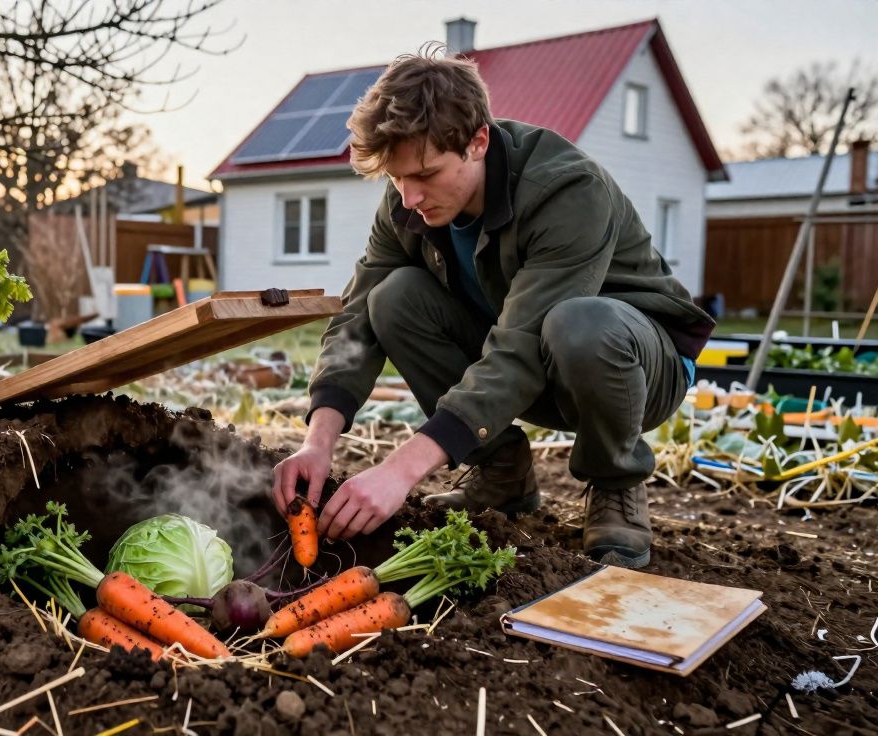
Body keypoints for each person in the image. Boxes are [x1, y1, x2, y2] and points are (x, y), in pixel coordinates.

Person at [270, 47, 714, 569]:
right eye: (397, 179)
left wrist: (401, 470)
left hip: (637, 367)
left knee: (581, 321)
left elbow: (521, 343)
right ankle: (503, 473)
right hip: (530, 364)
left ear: (478, 140)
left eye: (427, 175)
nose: (409, 197)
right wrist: (318, 441)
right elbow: (358, 315)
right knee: (392, 298)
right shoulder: (406, 202)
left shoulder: (567, 189)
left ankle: (616, 482)